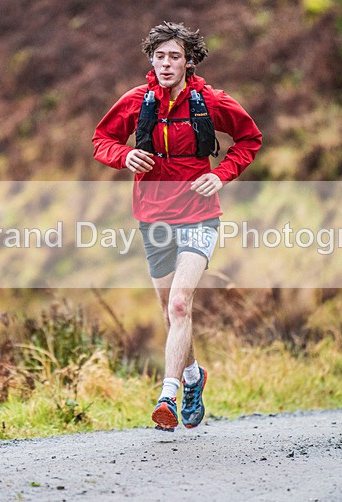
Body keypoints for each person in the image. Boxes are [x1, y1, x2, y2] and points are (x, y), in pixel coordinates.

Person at [92, 22, 262, 430]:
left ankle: (167, 394)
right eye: (160, 56)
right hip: (152, 216)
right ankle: (192, 377)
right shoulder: (137, 101)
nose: (167, 63)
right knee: (170, 315)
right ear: (151, 59)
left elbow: (250, 139)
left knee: (181, 303)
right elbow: (101, 139)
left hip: (199, 213)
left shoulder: (210, 101)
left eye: (175, 56)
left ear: (189, 61)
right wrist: (123, 156)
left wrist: (221, 175)